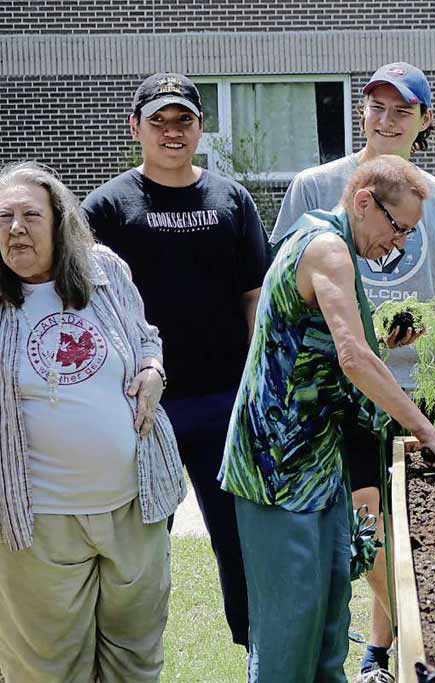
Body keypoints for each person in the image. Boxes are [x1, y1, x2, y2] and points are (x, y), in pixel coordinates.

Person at [271, 61, 435, 682]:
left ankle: (385, 650)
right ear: (361, 112)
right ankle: (403, 645)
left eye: (402, 110)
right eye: (376, 107)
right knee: (365, 521)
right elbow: (285, 287)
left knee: (412, 527)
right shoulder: (316, 186)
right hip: (347, 389)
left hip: (424, 390)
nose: (386, 122)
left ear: (425, 120)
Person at [220, 154, 435, 683]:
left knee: (330, 624)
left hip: (318, 463)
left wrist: (384, 338)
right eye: (399, 228)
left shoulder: (333, 247)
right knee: (289, 634)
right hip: (276, 469)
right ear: (362, 202)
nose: (399, 245)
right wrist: (428, 431)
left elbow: (331, 342)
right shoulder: (327, 248)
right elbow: (353, 358)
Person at [81, 72, 270, 648]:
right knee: (138, 546)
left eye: (183, 120)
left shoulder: (230, 200)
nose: (171, 132)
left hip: (223, 402)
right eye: (158, 121)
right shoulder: (106, 208)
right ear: (134, 128)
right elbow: (85, 307)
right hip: (139, 408)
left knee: (239, 540)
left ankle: (258, 647)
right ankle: (131, 653)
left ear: (200, 128)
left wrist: (259, 386)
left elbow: (254, 298)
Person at [0, 162, 187, 682]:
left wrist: (153, 369)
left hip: (134, 505)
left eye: (31, 215)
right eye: (4, 217)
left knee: (136, 657)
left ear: (61, 223)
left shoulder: (105, 270)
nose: (16, 228)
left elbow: (146, 338)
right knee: (47, 668)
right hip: (38, 524)